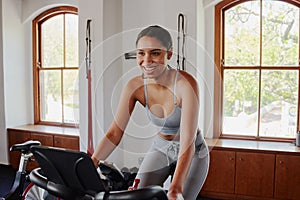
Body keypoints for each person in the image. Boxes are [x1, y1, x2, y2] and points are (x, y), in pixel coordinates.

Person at [91, 25, 209, 200]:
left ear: (169, 54)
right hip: (160, 148)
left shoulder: (186, 84)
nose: (147, 60)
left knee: (178, 197)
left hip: (193, 151)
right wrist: (92, 162)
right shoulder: (134, 86)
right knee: (137, 196)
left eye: (155, 53)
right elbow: (115, 132)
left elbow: (187, 142)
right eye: (141, 53)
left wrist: (175, 188)